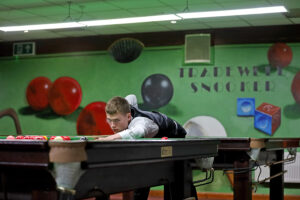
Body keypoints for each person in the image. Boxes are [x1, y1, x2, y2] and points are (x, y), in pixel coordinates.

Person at [97, 94, 187, 200]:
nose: (112, 125)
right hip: (156, 142)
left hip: (176, 138)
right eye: (109, 120)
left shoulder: (141, 123)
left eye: (116, 120)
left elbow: (136, 132)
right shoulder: (126, 108)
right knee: (143, 174)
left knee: (173, 182)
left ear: (129, 117)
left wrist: (107, 139)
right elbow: (132, 97)